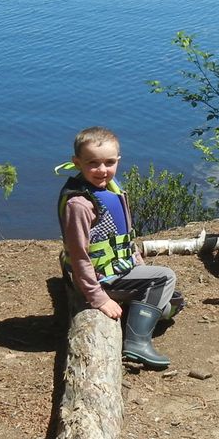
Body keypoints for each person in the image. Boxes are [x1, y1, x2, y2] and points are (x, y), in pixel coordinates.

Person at [56, 126, 181, 370]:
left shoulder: (111, 188)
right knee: (165, 278)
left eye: (109, 162)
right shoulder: (80, 204)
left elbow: (124, 238)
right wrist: (98, 298)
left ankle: (133, 314)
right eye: (93, 163)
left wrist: (139, 264)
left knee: (174, 302)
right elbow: (80, 256)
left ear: (118, 160)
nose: (102, 170)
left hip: (118, 269)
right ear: (77, 162)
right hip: (100, 279)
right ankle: (136, 343)